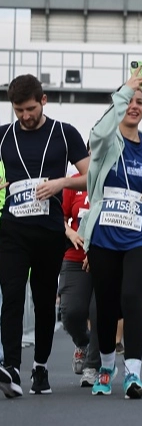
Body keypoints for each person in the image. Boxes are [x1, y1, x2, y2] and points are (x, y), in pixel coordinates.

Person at [0, 74, 90, 398]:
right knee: (12, 295)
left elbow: (91, 176)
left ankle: (40, 366)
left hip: (50, 230)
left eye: (30, 109)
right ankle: (11, 368)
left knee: (42, 300)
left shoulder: (64, 133)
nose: (25, 116)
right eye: (18, 110)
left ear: (43, 101)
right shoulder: (3, 135)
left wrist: (61, 183)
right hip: (12, 228)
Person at [81, 73, 142, 398]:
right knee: (106, 304)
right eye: (129, 101)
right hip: (104, 233)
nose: (134, 106)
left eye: (139, 102)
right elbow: (98, 133)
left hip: (140, 235)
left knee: (133, 297)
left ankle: (133, 373)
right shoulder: (106, 141)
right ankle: (107, 368)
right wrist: (125, 91)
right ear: (119, 104)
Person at [60, 166, 100, 387]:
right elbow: (60, 216)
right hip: (75, 257)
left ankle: (93, 366)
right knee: (71, 312)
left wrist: (96, 252)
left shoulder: (114, 181)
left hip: (105, 258)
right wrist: (70, 232)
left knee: (98, 312)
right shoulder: (74, 182)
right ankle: (82, 343)